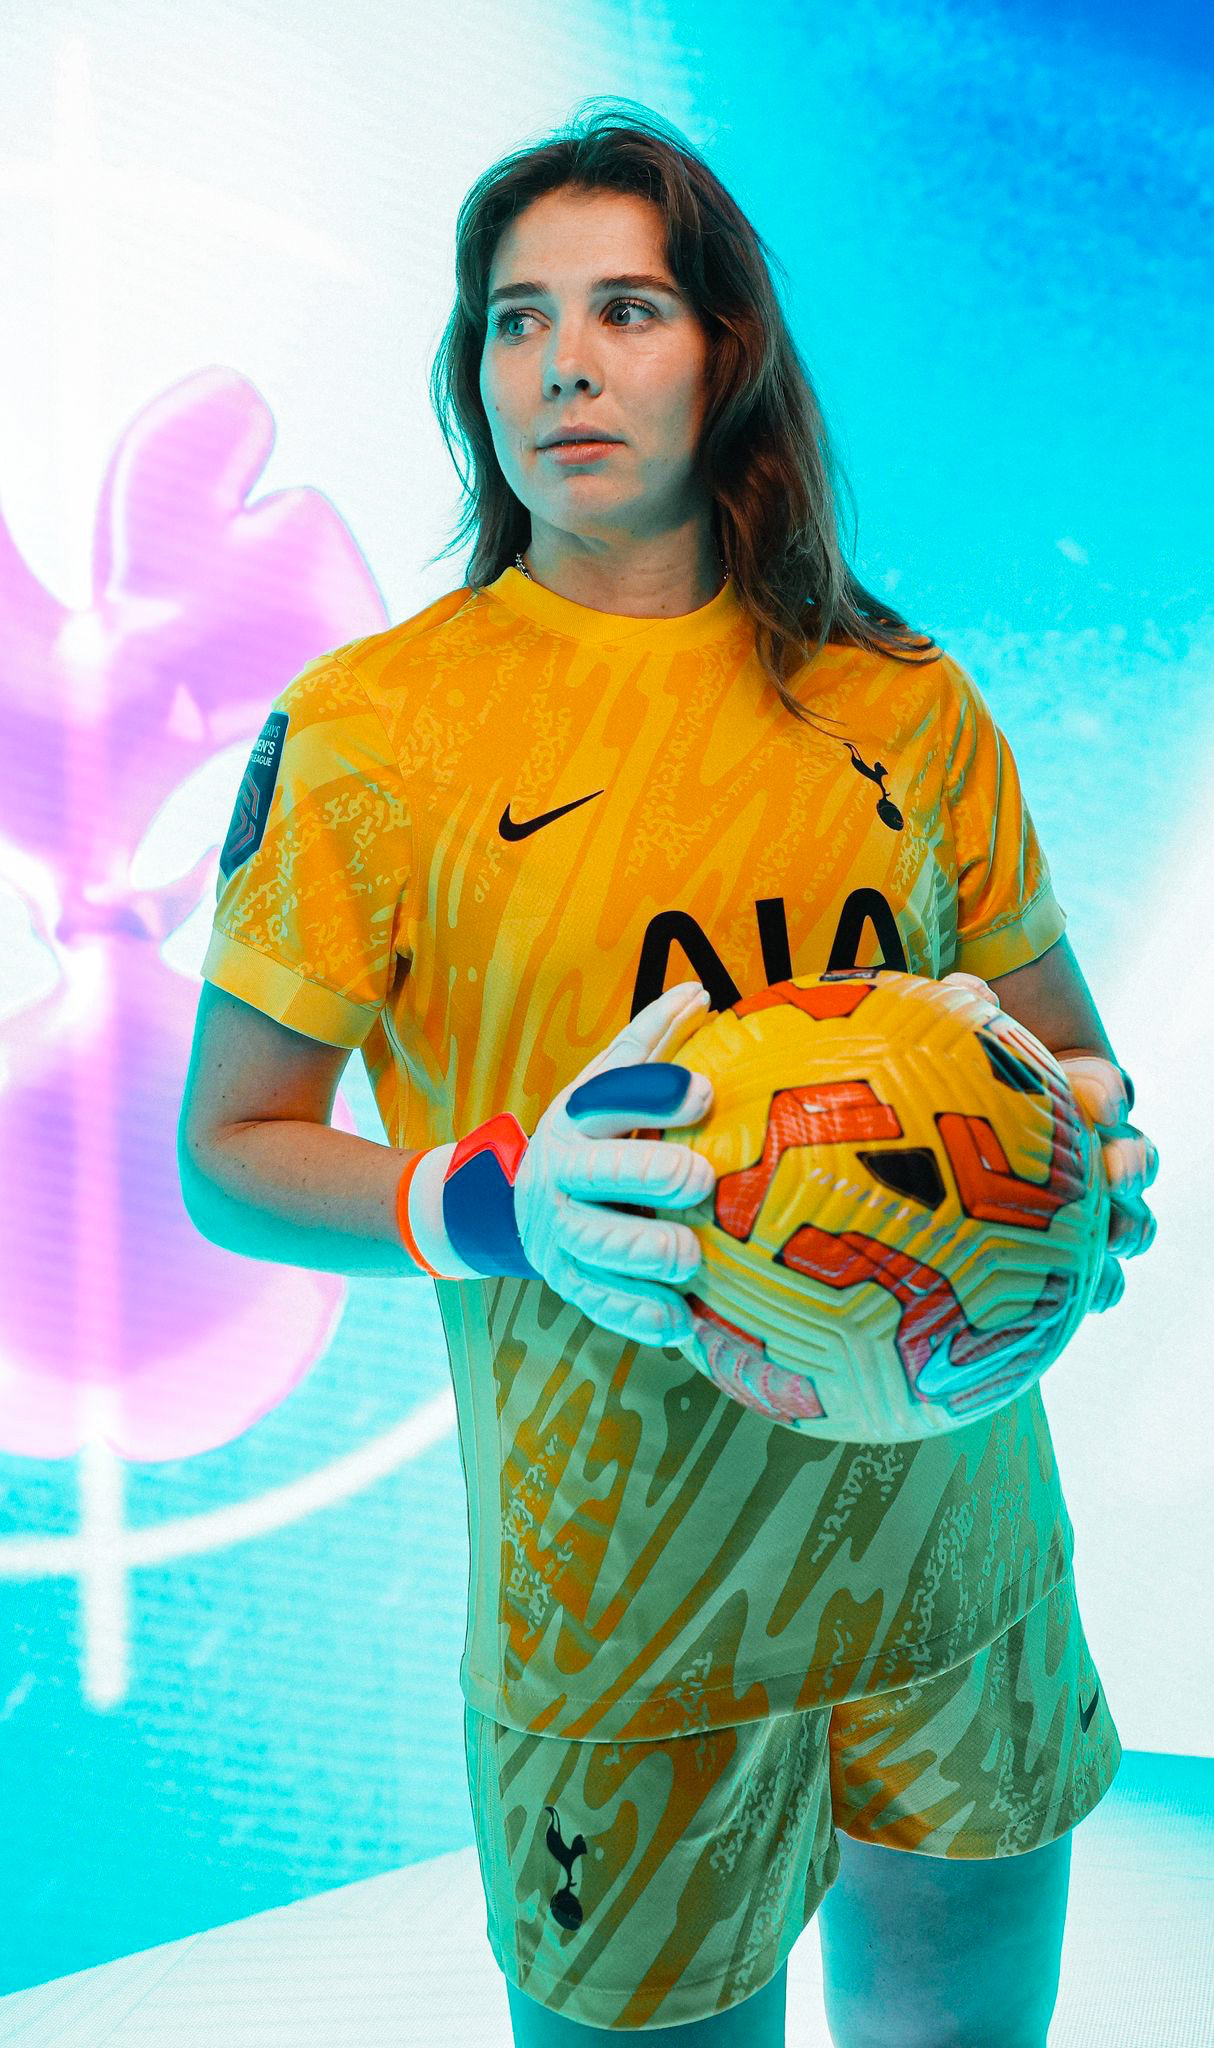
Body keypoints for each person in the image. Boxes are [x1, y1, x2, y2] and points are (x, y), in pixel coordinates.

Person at [177, 97, 1158, 2046]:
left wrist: (1087, 1155)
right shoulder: (373, 731)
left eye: (622, 306)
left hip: (954, 1556)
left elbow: (1066, 1053)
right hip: (624, 1614)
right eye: (511, 316)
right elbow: (229, 1151)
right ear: (472, 373)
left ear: (727, 350)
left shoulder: (899, 704)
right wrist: (486, 1204)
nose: (558, 359)